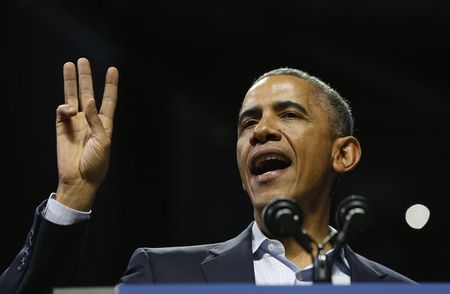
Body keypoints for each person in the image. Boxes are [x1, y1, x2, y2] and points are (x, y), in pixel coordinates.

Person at [0, 58, 413, 294]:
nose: (261, 131)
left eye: (289, 114)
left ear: (343, 153)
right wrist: (74, 192)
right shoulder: (165, 276)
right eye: (247, 123)